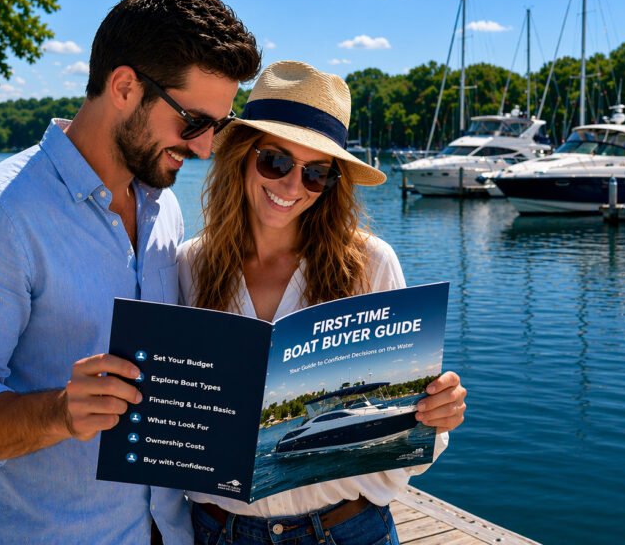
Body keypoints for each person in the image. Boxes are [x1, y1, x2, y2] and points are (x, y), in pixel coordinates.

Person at [0, 0, 260, 544]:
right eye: (194, 122)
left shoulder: (165, 209)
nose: (204, 148)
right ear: (124, 86)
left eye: (217, 128)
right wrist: (59, 412)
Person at [177, 60, 467, 545]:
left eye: (317, 174)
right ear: (242, 157)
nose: (293, 187)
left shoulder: (371, 263)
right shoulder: (191, 264)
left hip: (344, 531)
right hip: (216, 530)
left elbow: (417, 442)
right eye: (276, 161)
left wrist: (439, 414)